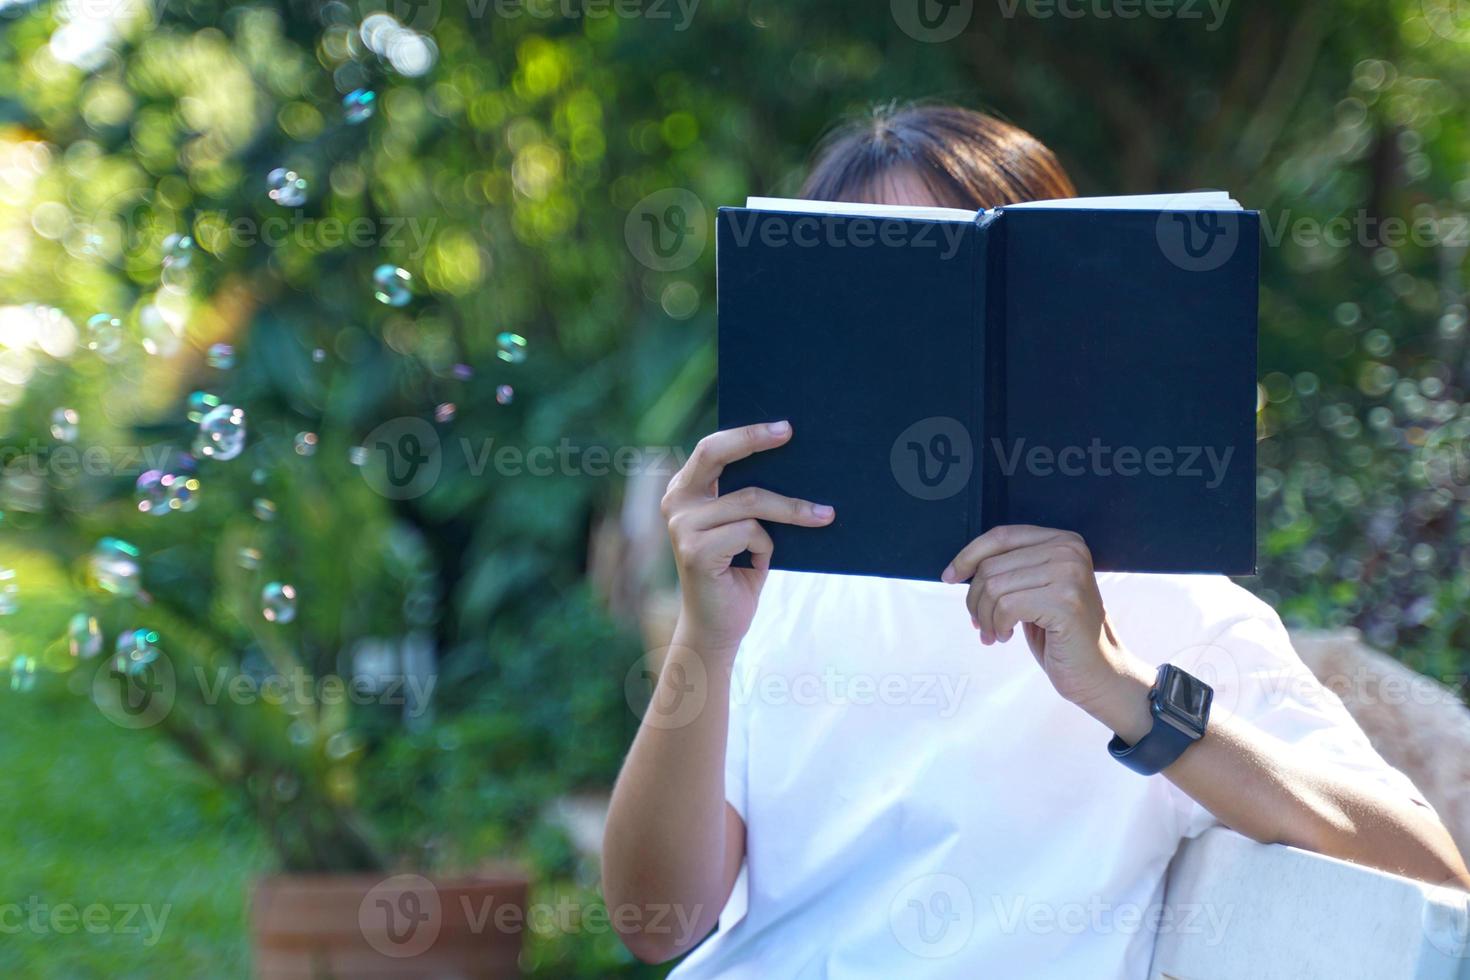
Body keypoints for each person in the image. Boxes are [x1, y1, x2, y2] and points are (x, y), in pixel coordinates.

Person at [601, 103, 1469, 978]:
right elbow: (657, 923)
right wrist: (706, 636)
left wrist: (1124, 685)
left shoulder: (1174, 601)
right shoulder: (785, 585)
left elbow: (1427, 868)